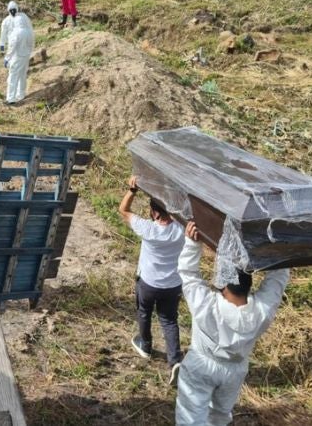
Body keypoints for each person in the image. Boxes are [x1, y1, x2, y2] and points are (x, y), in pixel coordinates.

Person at [175, 221, 291, 426]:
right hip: (234, 371)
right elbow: (276, 282)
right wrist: (282, 250)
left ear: (225, 286)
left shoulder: (208, 306)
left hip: (200, 366)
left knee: (190, 417)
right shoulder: (261, 312)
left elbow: (188, 276)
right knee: (220, 415)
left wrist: (193, 244)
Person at [118, 175, 185, 385]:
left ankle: (145, 345)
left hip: (148, 283)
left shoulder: (148, 228)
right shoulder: (181, 230)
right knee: (169, 320)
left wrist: (132, 190)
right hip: (173, 284)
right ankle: (174, 360)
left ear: (154, 212)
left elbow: (123, 210)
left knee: (144, 312)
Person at [5, 13, 34, 105]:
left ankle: (11, 99)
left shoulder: (16, 33)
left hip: (17, 57)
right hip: (25, 56)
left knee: (12, 77)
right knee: (22, 75)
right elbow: (31, 45)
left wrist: (7, 58)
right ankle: (21, 94)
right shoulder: (29, 32)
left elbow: (12, 47)